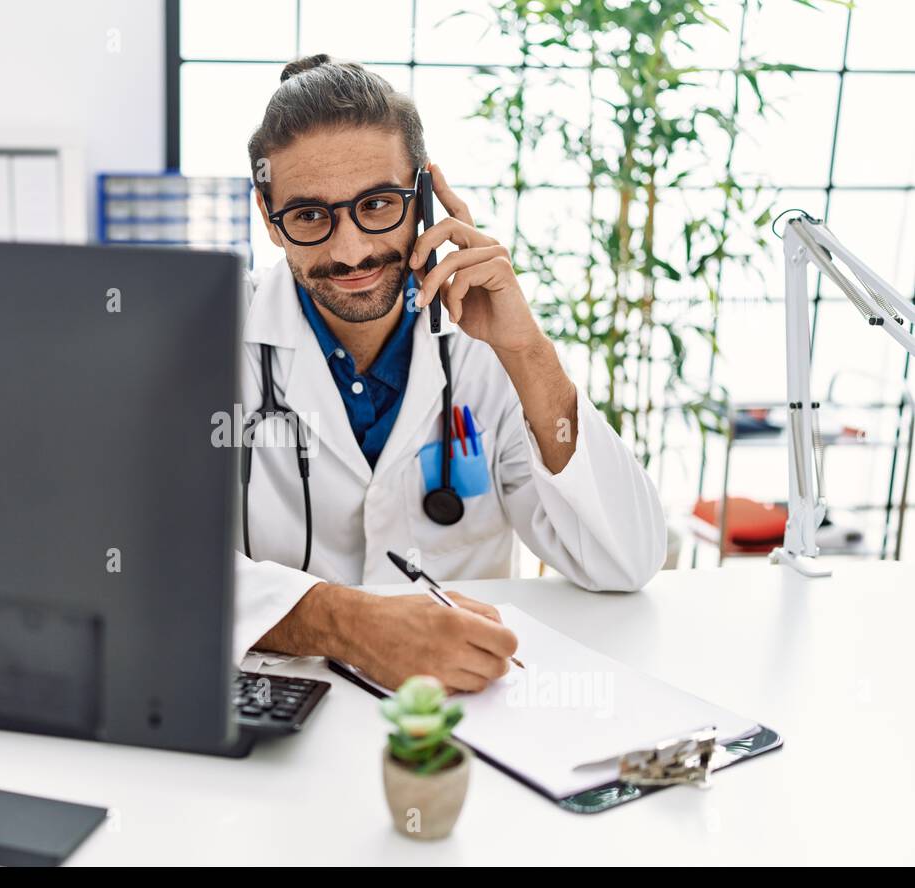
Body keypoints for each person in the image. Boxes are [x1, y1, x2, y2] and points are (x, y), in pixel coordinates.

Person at [235, 54, 666, 693]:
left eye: (378, 204)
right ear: (269, 217)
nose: (350, 250)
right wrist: (348, 623)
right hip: (286, 709)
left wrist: (527, 352)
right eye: (309, 216)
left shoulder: (486, 344)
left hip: (464, 721)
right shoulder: (209, 340)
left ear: (427, 197)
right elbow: (145, 558)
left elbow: (624, 560)